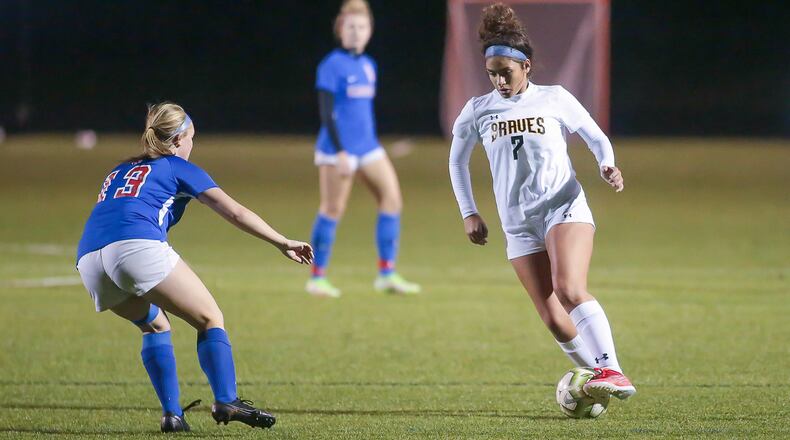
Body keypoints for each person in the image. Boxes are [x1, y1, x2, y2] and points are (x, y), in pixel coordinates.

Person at [76, 103, 314, 432]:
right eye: (191, 137)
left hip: (89, 260)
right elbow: (236, 213)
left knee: (156, 325)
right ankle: (227, 399)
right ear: (176, 141)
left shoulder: (119, 170)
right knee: (210, 318)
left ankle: (173, 416)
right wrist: (282, 241)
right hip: (135, 248)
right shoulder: (177, 166)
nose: (191, 144)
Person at [448, 3, 636, 401]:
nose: (499, 80)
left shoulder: (554, 98)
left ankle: (612, 370)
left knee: (569, 289)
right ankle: (595, 382)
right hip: (518, 224)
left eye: (507, 72)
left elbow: (595, 136)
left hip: (562, 205)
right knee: (553, 317)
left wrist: (607, 164)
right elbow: (457, 161)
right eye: (492, 74)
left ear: (527, 66)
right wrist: (470, 212)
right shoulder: (477, 111)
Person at [306, 0, 420, 297]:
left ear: (370, 31)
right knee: (333, 209)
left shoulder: (369, 65)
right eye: (351, 27)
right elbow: (327, 114)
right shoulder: (331, 65)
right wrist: (342, 152)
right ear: (340, 30)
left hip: (368, 147)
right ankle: (316, 277)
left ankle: (387, 273)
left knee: (392, 199)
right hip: (337, 149)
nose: (356, 32)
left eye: (362, 27)